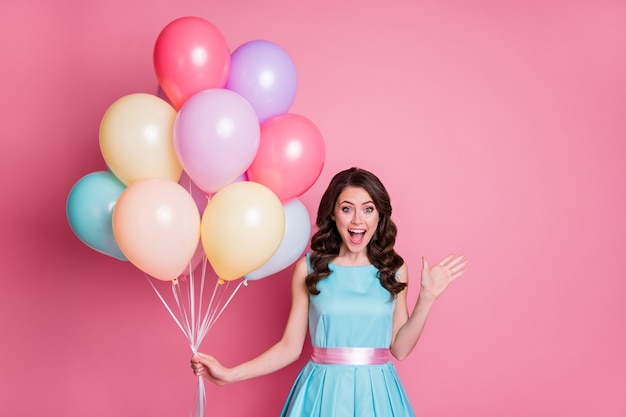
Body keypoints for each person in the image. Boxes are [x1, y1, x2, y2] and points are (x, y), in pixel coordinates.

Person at [191, 167, 468, 416]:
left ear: (380, 215)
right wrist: (230, 374)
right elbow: (289, 347)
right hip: (322, 393)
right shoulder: (310, 268)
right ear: (333, 214)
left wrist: (427, 298)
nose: (358, 219)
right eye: (347, 209)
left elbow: (400, 349)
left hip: (378, 395)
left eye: (368, 209)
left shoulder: (394, 269)